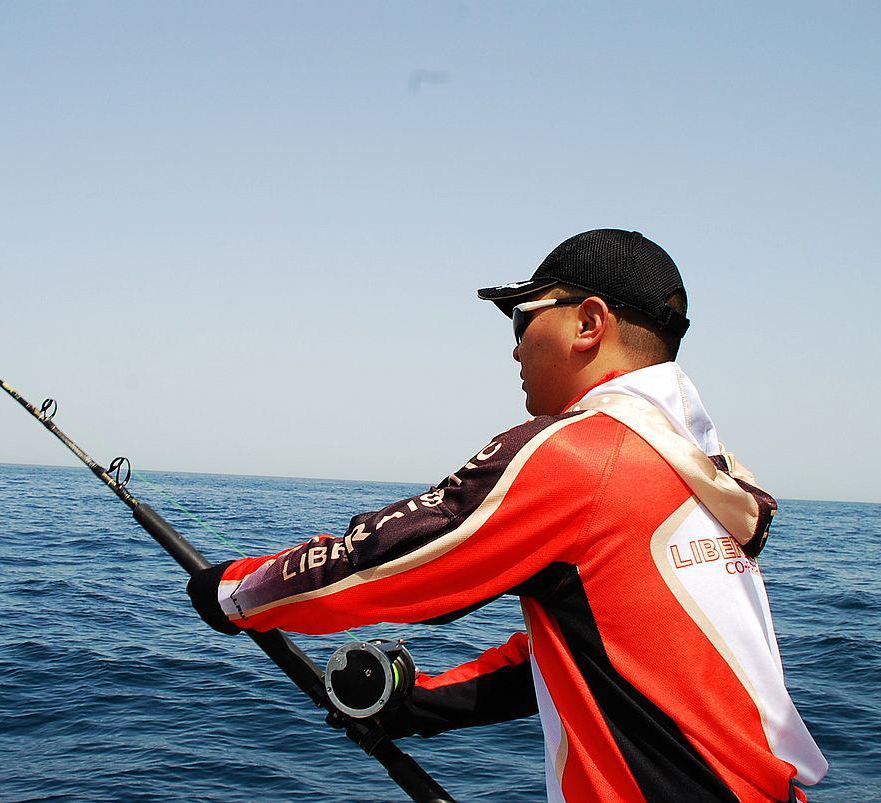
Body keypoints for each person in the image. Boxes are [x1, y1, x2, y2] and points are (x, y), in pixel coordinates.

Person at [187, 229, 828, 801]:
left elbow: (383, 561)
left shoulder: (583, 456)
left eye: (522, 318)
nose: (516, 348)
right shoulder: (693, 472)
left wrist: (234, 593)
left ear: (589, 323)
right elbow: (603, 653)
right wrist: (420, 706)